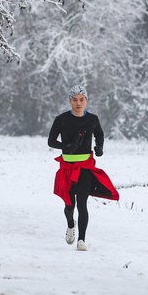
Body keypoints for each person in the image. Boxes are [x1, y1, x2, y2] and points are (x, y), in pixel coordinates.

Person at [48, 85, 119, 251]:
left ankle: (81, 240)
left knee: (82, 204)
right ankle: (71, 225)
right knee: (69, 205)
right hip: (67, 167)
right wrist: (66, 146)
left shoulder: (92, 119)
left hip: (85, 168)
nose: (78, 103)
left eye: (82, 99)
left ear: (86, 101)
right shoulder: (61, 119)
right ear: (70, 101)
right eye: (75, 100)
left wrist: (99, 147)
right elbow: (51, 141)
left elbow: (99, 134)